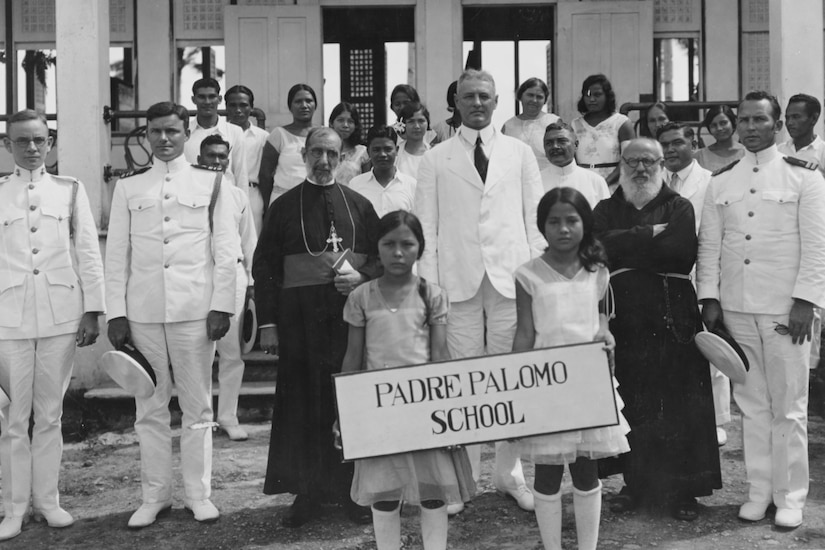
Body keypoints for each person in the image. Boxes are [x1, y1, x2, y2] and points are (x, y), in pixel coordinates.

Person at [415, 68, 546, 515]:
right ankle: (462, 480)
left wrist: (535, 278)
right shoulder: (436, 158)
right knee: (463, 382)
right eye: (468, 96)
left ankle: (510, 475)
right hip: (457, 282)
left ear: (496, 102)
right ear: (455, 102)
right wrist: (431, 287)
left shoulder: (520, 152)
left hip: (512, 281)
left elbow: (535, 221)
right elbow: (426, 229)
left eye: (484, 97)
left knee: (509, 378)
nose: (477, 104)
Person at [106, 101, 237, 528]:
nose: (164, 139)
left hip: (195, 311)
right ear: (146, 135)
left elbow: (225, 250)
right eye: (156, 132)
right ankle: (154, 496)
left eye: (172, 132)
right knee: (150, 408)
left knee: (198, 408)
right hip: (144, 311)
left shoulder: (212, 183)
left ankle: (199, 495)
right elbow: (116, 257)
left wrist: (222, 305)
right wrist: (116, 313)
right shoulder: (129, 187)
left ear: (186, 134)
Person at [697, 91, 825, 529]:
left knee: (788, 406)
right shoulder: (722, 181)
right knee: (751, 405)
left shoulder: (804, 178)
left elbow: (816, 246)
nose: (750, 127)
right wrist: (709, 300)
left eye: (760, 120)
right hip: (736, 307)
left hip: (785, 309)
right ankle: (757, 491)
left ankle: (790, 496)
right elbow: (710, 246)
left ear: (778, 125)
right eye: (744, 120)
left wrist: (806, 301)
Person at [253, 127, 382, 527]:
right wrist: (269, 324)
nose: (323, 161)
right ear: (304, 155)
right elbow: (266, 268)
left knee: (351, 402)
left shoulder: (360, 205)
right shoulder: (283, 207)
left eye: (331, 153)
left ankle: (353, 492)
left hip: (349, 322)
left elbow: (382, 259)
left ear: (342, 156)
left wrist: (362, 280)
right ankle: (307, 492)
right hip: (299, 322)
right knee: (303, 404)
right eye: (315, 153)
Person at [593, 138, 721, 521]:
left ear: (662, 163)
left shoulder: (679, 206)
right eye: (632, 161)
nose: (640, 169)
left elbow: (678, 251)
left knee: (680, 402)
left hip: (672, 315)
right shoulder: (604, 207)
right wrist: (647, 234)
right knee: (633, 401)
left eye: (649, 161)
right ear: (621, 164)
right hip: (625, 319)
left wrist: (625, 244)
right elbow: (597, 248)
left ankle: (684, 492)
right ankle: (634, 486)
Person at [337, 210, 474, 550]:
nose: (398, 253)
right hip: (379, 409)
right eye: (389, 244)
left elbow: (440, 355)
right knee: (383, 492)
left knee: (433, 490)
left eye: (407, 244)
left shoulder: (432, 295)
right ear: (377, 248)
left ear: (420, 248)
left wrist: (450, 410)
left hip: (425, 410)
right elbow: (353, 358)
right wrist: (345, 413)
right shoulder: (361, 297)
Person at [0, 109, 105, 541]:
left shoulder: (70, 189)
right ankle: (14, 507)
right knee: (12, 418)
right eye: (22, 141)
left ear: (50, 143)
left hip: (62, 314)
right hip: (9, 318)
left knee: (50, 415)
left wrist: (93, 309)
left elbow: (87, 252)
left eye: (39, 140)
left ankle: (48, 500)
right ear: (7, 146)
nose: (31, 148)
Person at [513, 187, 630, 550]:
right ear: (541, 226)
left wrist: (605, 335)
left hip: (587, 382)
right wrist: (516, 386)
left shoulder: (598, 271)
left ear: (585, 224)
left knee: (585, 468)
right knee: (547, 471)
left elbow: (601, 322)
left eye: (572, 221)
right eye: (554, 222)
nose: (563, 229)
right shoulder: (527, 274)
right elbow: (525, 332)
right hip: (546, 385)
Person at [657, 121, 729, 446]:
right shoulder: (655, 180)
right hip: (667, 275)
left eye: (677, 143)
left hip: (701, 270)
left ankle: (716, 420)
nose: (670, 150)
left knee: (709, 345)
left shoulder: (710, 182)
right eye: (665, 145)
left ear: (693, 143)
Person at [197, 135, 258, 442]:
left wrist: (251, 285)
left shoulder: (237, 195)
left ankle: (228, 416)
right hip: (197, 276)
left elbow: (249, 244)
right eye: (211, 156)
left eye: (222, 156)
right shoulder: (189, 192)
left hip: (232, 276)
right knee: (200, 353)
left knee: (231, 353)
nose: (217, 162)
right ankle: (203, 418)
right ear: (199, 157)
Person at [257, 83, 317, 208]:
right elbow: (265, 174)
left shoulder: (321, 135)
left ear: (315, 105)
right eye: (298, 101)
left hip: (314, 202)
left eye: (309, 101)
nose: (304, 105)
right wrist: (269, 207)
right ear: (290, 106)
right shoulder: (279, 134)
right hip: (283, 201)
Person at [571, 74, 635, 190]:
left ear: (607, 96)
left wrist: (604, 184)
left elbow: (629, 160)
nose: (592, 99)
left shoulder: (621, 123)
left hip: (613, 187)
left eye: (597, 95)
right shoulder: (574, 125)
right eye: (587, 95)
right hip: (583, 186)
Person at [182, 78, 249, 188]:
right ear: (194, 99)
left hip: (225, 195)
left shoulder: (234, 131)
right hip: (191, 195)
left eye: (212, 96)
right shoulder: (184, 132)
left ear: (219, 99)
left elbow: (241, 173)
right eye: (202, 97)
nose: (207, 102)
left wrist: (243, 204)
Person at [225, 84, 270, 234]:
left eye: (243, 105)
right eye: (233, 105)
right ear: (226, 107)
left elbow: (267, 172)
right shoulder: (221, 133)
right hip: (225, 192)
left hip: (252, 195)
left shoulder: (262, 137)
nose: (238, 110)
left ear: (251, 107)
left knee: (253, 240)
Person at [349, 125, 416, 217]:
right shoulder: (355, 185)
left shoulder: (411, 185)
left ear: (396, 151)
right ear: (368, 152)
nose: (383, 154)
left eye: (388, 149)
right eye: (376, 150)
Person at [540, 121, 610, 208]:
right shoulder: (536, 181)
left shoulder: (595, 182)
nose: (555, 146)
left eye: (561, 141)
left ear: (576, 145)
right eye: (549, 143)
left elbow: (606, 219)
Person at [502, 78, 560, 172]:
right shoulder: (508, 126)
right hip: (517, 180)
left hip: (549, 180)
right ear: (520, 96)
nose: (534, 100)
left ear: (545, 100)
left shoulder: (553, 122)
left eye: (539, 97)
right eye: (530, 95)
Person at [778, 94, 825, 175]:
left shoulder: (822, 152)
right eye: (787, 117)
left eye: (796, 117)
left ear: (814, 118)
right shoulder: (779, 150)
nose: (789, 123)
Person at [693, 105, 744, 172]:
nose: (719, 128)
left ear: (733, 123)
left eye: (723, 123)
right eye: (714, 125)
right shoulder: (699, 156)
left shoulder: (747, 153)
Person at [329, 102, 369, 186]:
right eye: (340, 120)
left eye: (350, 121)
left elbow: (367, 182)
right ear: (331, 123)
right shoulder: (325, 150)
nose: (345, 125)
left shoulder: (362, 152)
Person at [395, 102, 431, 179]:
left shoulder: (433, 153)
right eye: (411, 121)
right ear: (403, 124)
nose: (417, 126)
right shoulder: (395, 153)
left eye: (421, 121)